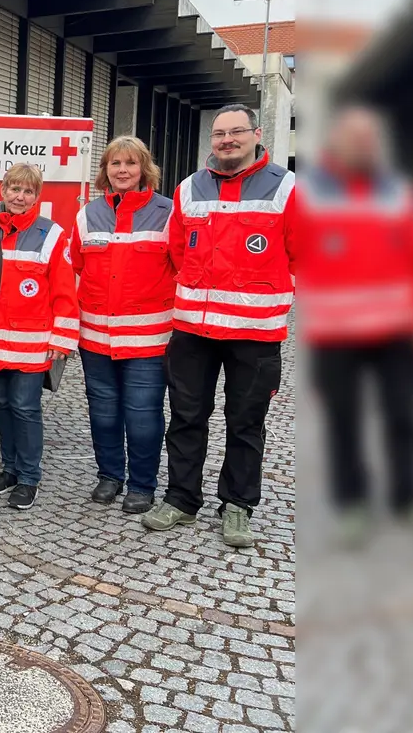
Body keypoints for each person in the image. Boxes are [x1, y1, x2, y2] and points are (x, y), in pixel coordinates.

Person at [141, 104, 296, 548]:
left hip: (255, 334)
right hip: (193, 331)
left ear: (256, 134)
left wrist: (274, 298)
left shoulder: (287, 188)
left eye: (236, 132)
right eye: (219, 134)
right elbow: (174, 251)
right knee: (187, 418)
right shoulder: (189, 188)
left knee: (245, 423)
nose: (227, 140)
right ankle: (182, 499)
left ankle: (238, 506)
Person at [299, 107, 413, 545]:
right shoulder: (311, 193)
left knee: (403, 415)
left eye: (369, 139)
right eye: (354, 139)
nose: (363, 147)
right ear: (337, 143)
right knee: (344, 421)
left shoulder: (399, 191)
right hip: (336, 334)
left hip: (397, 330)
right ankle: (351, 504)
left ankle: (408, 497)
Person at [72, 136, 174, 515]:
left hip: (148, 340)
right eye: (116, 164)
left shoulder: (167, 212)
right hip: (96, 338)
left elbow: (181, 269)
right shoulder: (88, 214)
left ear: (144, 168)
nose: (123, 171)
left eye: (131, 164)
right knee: (103, 412)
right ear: (106, 171)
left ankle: (143, 484)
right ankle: (110, 475)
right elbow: (74, 271)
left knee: (143, 414)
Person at [0, 163, 77, 511]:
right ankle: (9, 470)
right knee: (2, 406)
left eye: (28, 191)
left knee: (25, 409)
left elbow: (65, 292)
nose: (19, 196)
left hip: (33, 344)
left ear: (37, 195)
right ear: (3, 190)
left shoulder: (51, 234)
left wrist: (61, 340)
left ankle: (29, 477)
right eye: (14, 189)